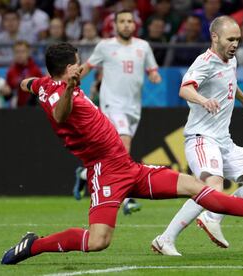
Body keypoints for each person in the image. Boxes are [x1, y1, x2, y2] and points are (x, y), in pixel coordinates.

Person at [0, 42, 243, 265]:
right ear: (68, 69)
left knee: (195, 187)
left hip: (127, 167)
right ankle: (34, 245)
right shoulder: (60, 94)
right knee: (99, 240)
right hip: (106, 172)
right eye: (78, 65)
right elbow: (61, 115)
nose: (81, 69)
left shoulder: (43, 85)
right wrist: (68, 89)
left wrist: (27, 84)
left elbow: (30, 84)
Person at [151, 16, 243, 256]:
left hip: (224, 140)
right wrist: (204, 100)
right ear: (215, 37)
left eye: (238, 39)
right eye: (230, 39)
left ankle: (213, 216)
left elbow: (231, 83)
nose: (235, 44)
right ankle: (165, 239)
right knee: (210, 187)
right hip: (201, 138)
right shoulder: (204, 62)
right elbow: (184, 88)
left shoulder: (230, 60)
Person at [72, 10, 161, 216]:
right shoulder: (105, 46)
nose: (126, 25)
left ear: (134, 25)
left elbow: (152, 70)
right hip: (112, 104)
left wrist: (154, 76)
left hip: (133, 108)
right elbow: (88, 66)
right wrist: (71, 80)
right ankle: (127, 197)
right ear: (115, 25)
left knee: (115, 152)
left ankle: (86, 174)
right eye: (122, 21)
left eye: (130, 21)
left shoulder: (143, 46)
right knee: (124, 144)